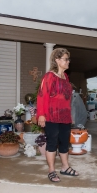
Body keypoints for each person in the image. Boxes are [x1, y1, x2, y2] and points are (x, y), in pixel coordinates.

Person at [36, 48, 78, 182]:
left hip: (64, 115)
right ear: (57, 60)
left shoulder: (66, 77)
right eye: (66, 59)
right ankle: (51, 170)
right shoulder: (49, 76)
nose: (68, 62)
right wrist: (41, 115)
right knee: (52, 142)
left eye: (68, 59)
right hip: (51, 115)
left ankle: (65, 167)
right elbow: (42, 96)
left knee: (65, 142)